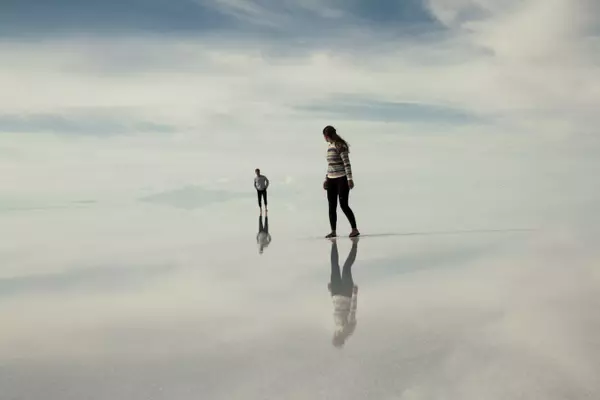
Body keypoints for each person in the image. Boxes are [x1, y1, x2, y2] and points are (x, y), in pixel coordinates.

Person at [322, 125, 359, 238]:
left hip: (342, 179)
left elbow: (346, 163)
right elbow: (330, 165)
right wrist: (326, 178)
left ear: (327, 136)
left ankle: (354, 229)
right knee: (332, 206)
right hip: (331, 179)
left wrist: (349, 179)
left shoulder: (340, 146)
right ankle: (333, 231)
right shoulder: (329, 146)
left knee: (343, 205)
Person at [328, 237, 359, 348]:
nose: (333, 336)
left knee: (334, 266)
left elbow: (336, 310)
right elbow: (352, 311)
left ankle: (333, 244)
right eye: (335, 339)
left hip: (336, 294)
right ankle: (355, 245)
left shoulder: (337, 329)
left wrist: (330, 292)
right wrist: (355, 294)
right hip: (346, 294)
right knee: (346, 268)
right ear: (340, 340)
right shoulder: (348, 330)